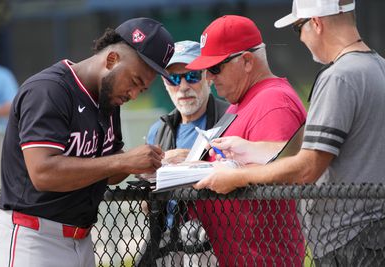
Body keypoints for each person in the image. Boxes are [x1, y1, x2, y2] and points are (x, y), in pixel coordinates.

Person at [195, 1, 385, 266]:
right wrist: (252, 149)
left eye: (298, 28)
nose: (302, 38)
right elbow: (331, 152)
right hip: (369, 233)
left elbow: (307, 168)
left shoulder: (339, 77)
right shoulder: (378, 67)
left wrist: (237, 176)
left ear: (316, 23)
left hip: (352, 240)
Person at [0, 17, 175, 267]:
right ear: (111, 60)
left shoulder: (108, 100)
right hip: (32, 240)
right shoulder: (49, 90)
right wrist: (123, 161)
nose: (133, 94)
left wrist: (142, 165)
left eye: (142, 89)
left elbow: (107, 170)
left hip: (81, 242)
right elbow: (43, 173)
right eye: (135, 82)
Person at [186, 15, 307, 266]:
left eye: (215, 68)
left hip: (264, 258)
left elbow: (284, 176)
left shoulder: (274, 102)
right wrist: (185, 160)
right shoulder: (241, 100)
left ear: (247, 61)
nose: (208, 77)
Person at [143, 40, 228, 266]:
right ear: (164, 82)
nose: (182, 86)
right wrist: (160, 165)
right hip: (167, 239)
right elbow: (145, 201)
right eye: (173, 78)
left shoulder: (229, 118)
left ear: (208, 77)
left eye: (191, 76)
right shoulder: (158, 130)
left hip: (214, 240)